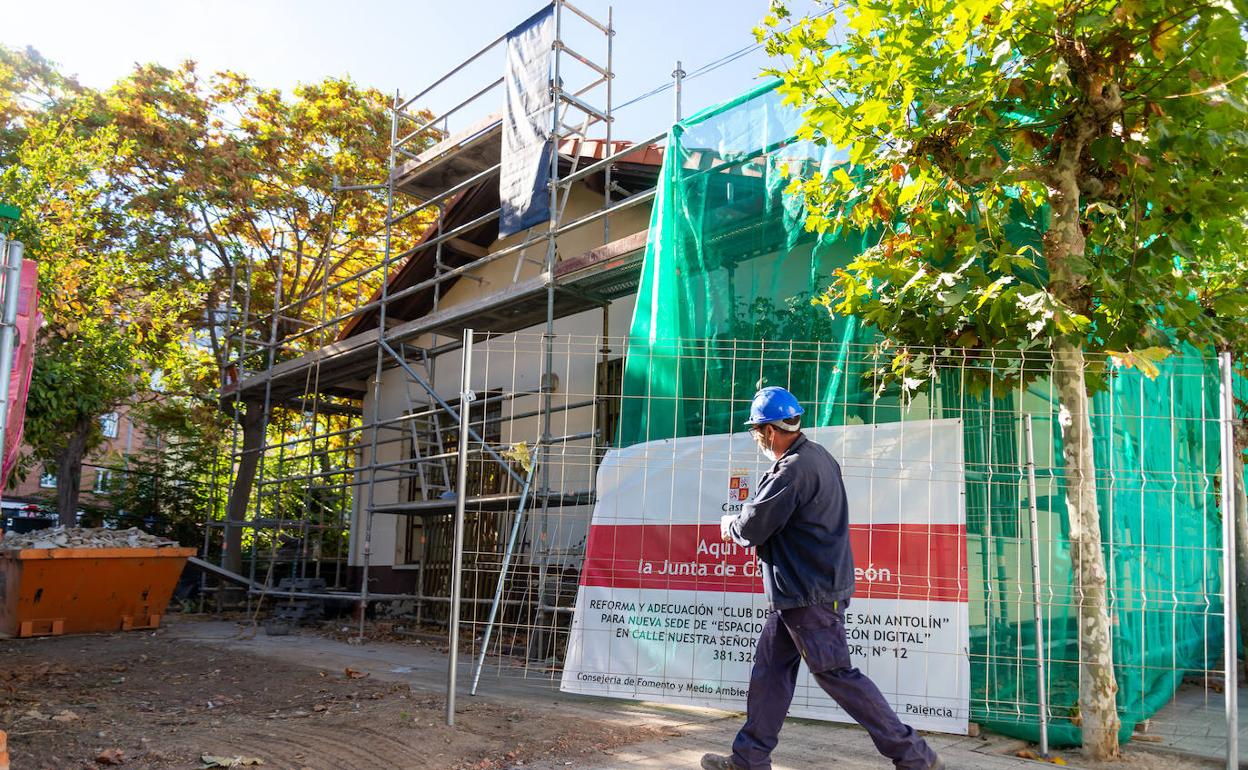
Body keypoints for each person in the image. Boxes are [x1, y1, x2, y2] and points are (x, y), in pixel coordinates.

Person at [700, 386, 943, 770]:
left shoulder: (792, 470)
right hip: (799, 593)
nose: (756, 439)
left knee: (837, 675)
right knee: (771, 672)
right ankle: (749, 758)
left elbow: (753, 527)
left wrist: (731, 525)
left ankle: (914, 756)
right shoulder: (816, 457)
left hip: (808, 594)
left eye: (756, 431)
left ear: (769, 431)